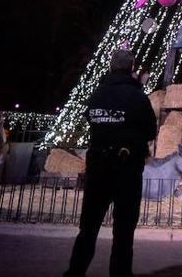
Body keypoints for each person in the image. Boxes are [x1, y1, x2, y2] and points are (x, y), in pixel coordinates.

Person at [63, 49, 157, 277]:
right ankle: (120, 273)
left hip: (98, 167)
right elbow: (150, 130)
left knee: (88, 226)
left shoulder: (97, 94)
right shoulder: (137, 97)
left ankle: (75, 272)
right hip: (127, 167)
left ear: (111, 66)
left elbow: (91, 118)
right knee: (124, 228)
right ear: (131, 68)